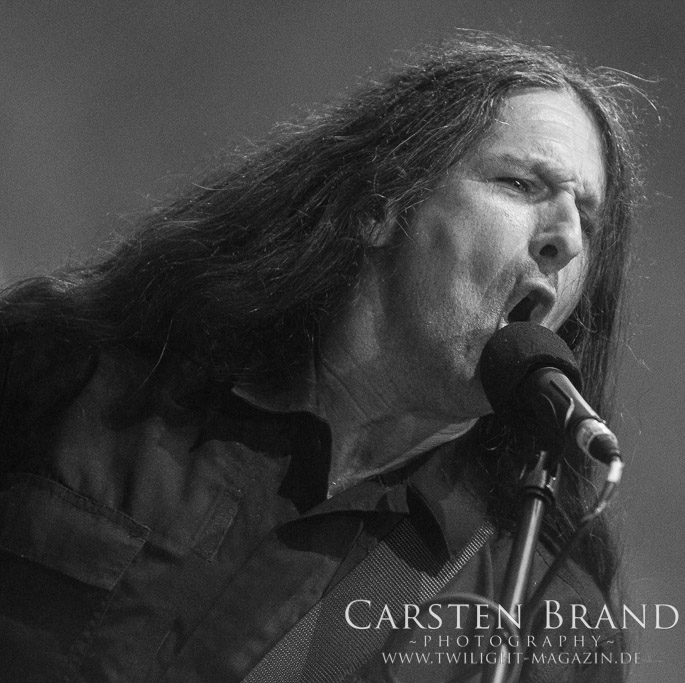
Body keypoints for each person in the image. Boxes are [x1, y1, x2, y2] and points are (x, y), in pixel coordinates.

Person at [0, 32, 645, 682]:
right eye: (521, 183)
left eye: (588, 222)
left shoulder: (547, 621)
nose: (566, 238)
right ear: (381, 204)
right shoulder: (74, 375)